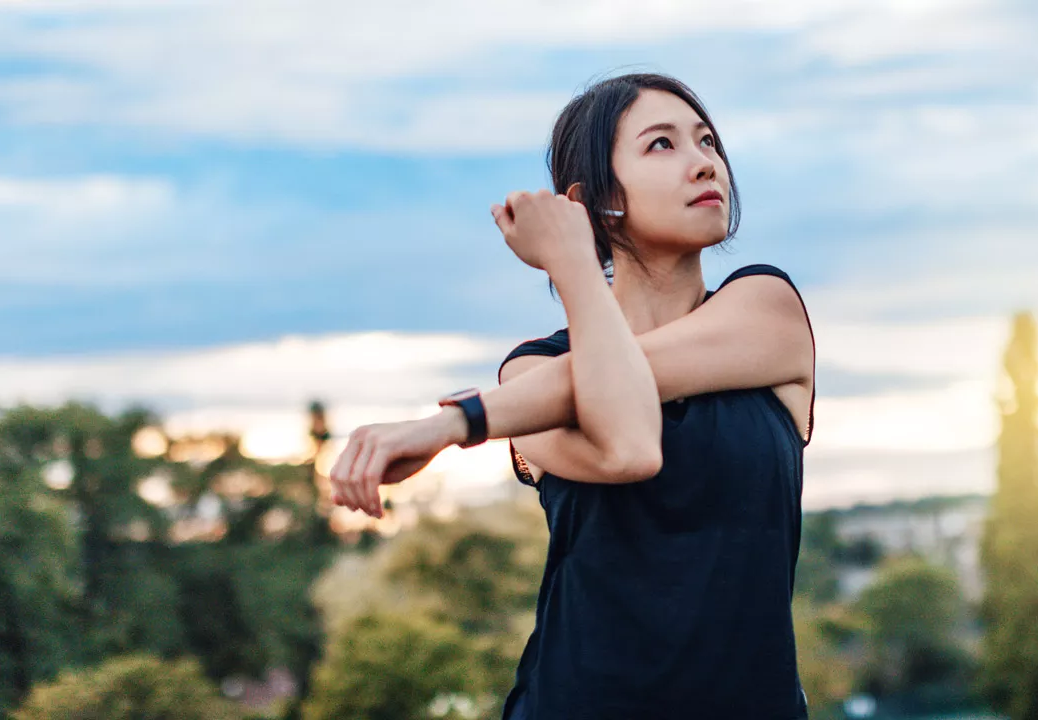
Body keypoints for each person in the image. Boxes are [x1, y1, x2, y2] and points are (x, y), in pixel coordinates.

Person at [327, 72, 816, 720]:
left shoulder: (766, 310)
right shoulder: (530, 371)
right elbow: (631, 448)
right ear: (595, 202)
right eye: (662, 145)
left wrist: (449, 426)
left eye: (707, 142)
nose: (704, 163)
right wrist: (576, 265)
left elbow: (625, 378)